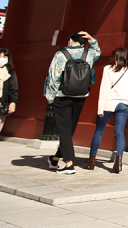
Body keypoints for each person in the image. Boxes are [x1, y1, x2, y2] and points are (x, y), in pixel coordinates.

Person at [44, 31, 102, 175]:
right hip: (81, 95)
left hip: (62, 95)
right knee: (68, 129)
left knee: (63, 129)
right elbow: (98, 52)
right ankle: (56, 158)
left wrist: (51, 97)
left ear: (70, 40)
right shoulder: (88, 54)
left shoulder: (61, 54)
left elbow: (54, 75)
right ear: (84, 43)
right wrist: (92, 40)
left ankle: (69, 164)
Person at [86, 48, 128, 172]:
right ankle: (118, 162)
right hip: (124, 105)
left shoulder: (108, 69)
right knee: (119, 133)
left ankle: (91, 161)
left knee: (99, 131)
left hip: (109, 104)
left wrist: (100, 109)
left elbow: (104, 89)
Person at [0, 48, 18, 133]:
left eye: (4, 56)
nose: (1, 59)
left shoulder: (10, 73)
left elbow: (13, 90)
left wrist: (13, 103)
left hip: (1, 105)